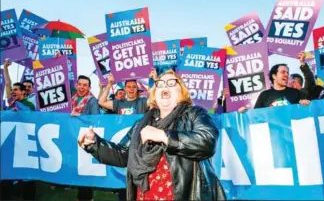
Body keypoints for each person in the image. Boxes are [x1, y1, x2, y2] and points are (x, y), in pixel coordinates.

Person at [78, 70, 226, 200]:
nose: (164, 86)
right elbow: (123, 154)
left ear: (182, 92)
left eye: (170, 83)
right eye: (160, 84)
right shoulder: (141, 124)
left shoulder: (195, 113)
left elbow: (207, 141)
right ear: (154, 94)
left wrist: (164, 136)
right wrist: (94, 144)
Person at [1, 60, 36, 200]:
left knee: (27, 172)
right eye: (12, 90)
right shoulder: (10, 103)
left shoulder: (28, 105)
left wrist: (16, 106)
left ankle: (28, 196)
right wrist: (5, 68)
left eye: (16, 90)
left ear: (23, 92)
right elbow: (8, 84)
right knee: (8, 169)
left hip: (25, 142)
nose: (13, 92)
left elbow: (27, 115)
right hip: (11, 141)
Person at [71, 75, 100, 201]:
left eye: (85, 85)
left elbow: (96, 119)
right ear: (76, 85)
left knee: (85, 168)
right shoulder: (72, 98)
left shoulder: (92, 100)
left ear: (89, 87)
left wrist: (79, 115)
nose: (82, 87)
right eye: (80, 84)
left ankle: (86, 197)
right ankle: (81, 196)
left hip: (85, 138)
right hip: (72, 134)